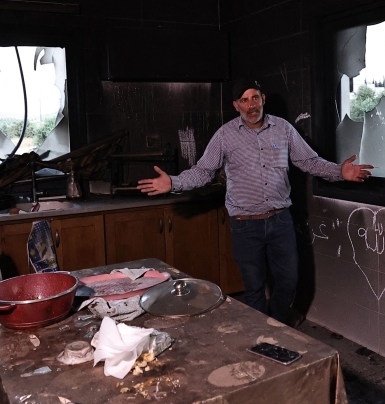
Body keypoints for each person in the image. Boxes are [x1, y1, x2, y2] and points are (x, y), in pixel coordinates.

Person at [138, 78, 372, 323]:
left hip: (280, 221)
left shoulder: (283, 129)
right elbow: (203, 171)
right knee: (254, 288)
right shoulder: (225, 135)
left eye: (255, 98)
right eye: (244, 100)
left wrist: (339, 171)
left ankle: (278, 327)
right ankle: (262, 338)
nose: (251, 105)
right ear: (236, 105)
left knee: (288, 281)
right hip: (245, 225)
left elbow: (308, 161)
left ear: (263, 99)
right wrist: (173, 182)